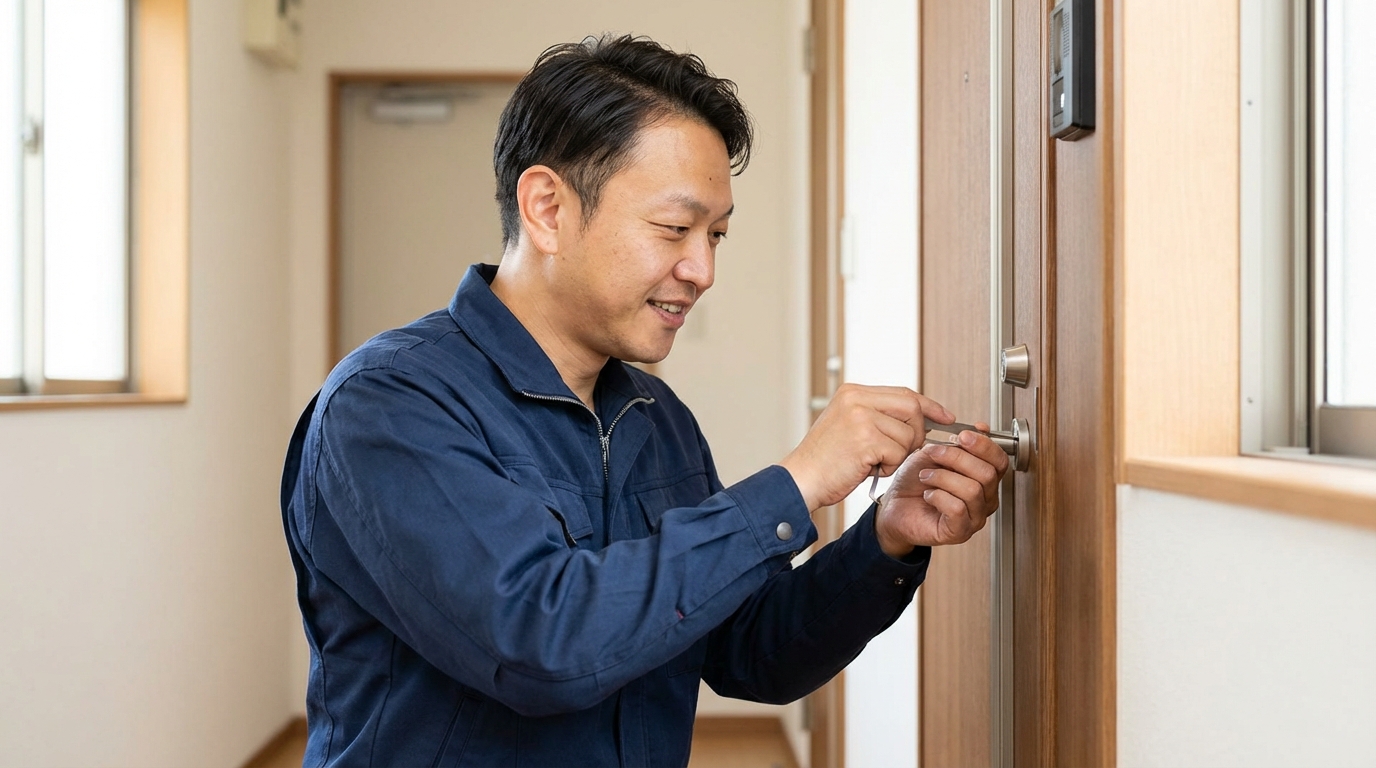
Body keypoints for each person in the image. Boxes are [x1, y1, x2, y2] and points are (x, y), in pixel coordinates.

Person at [281, 33, 1009, 767]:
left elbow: (748, 651)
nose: (702, 269)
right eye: (674, 229)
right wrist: (796, 484)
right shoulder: (388, 404)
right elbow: (540, 644)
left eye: (716, 235)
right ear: (547, 208)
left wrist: (886, 537)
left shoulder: (656, 418)